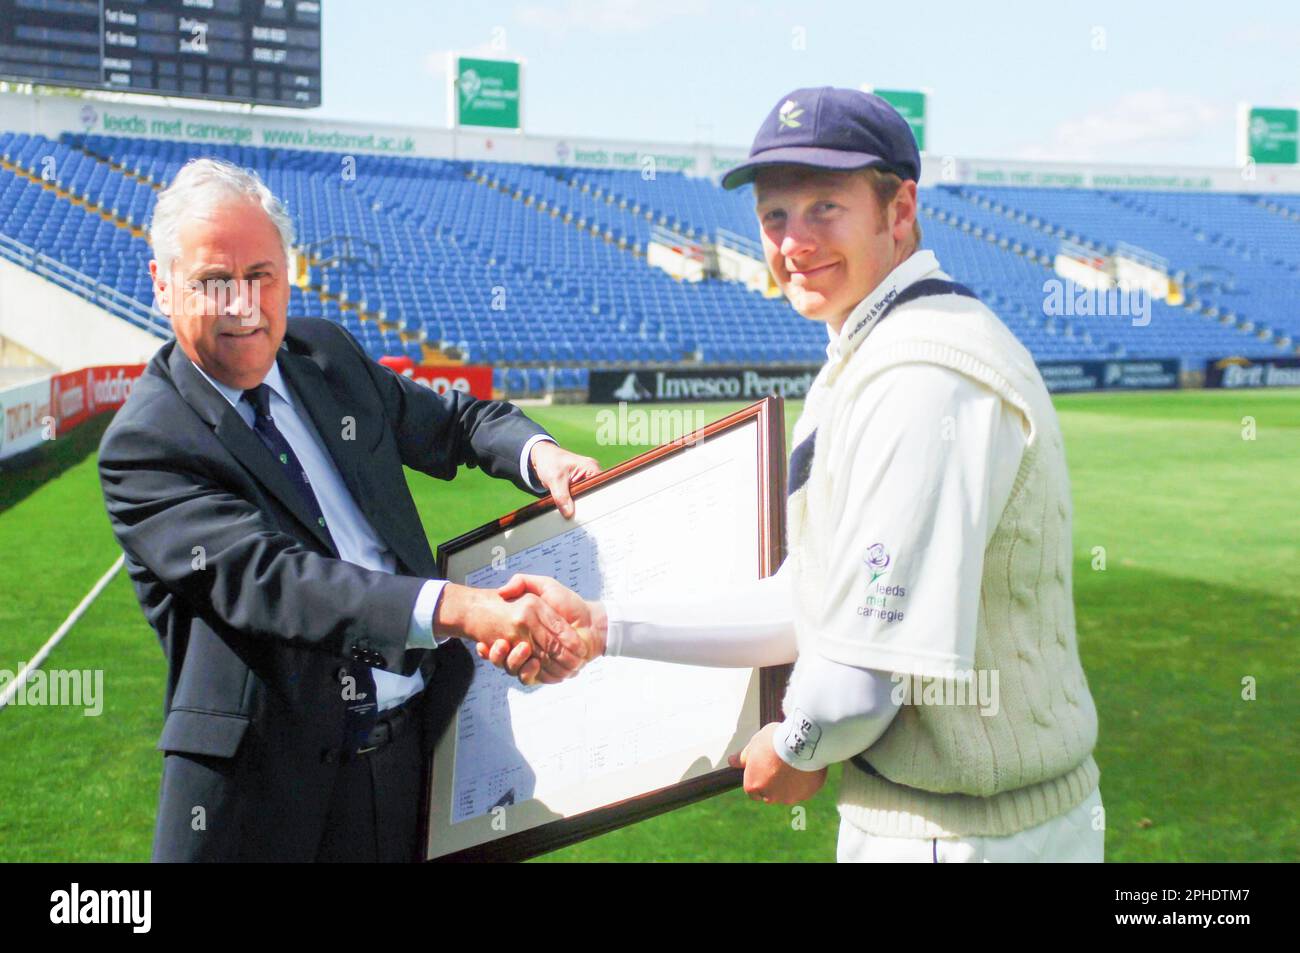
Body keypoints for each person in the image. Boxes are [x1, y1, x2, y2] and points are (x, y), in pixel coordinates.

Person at [485, 87, 1104, 863]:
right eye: (776, 216)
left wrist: (801, 742)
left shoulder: (921, 372)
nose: (794, 241)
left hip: (971, 834)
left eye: (824, 208)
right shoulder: (875, 352)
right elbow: (815, 599)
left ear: (899, 209)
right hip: (953, 821)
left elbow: (862, 671)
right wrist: (605, 627)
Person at [97, 157, 592, 862]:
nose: (244, 304)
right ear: (161, 283)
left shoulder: (323, 355)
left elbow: (454, 424)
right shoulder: (148, 442)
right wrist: (458, 607)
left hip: (418, 758)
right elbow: (280, 580)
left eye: (262, 276)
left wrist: (542, 456)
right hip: (272, 801)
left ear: (288, 275)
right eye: (213, 282)